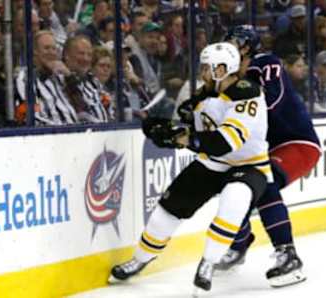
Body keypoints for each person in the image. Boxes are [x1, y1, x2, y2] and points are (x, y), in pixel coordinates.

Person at [109, 42, 272, 294]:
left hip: (249, 165)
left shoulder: (246, 93)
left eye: (207, 67)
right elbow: (189, 123)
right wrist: (162, 126)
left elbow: (223, 143)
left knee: (235, 198)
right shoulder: (204, 94)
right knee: (169, 207)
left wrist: (184, 139)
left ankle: (208, 263)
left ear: (221, 69)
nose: (203, 71)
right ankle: (140, 259)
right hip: (212, 163)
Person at [179, 25, 321, 287]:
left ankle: (288, 254)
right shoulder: (226, 80)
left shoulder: (265, 63)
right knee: (238, 188)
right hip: (268, 147)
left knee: (265, 184)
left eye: (235, 44)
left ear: (248, 48)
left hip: (296, 142)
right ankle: (240, 242)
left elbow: (273, 100)